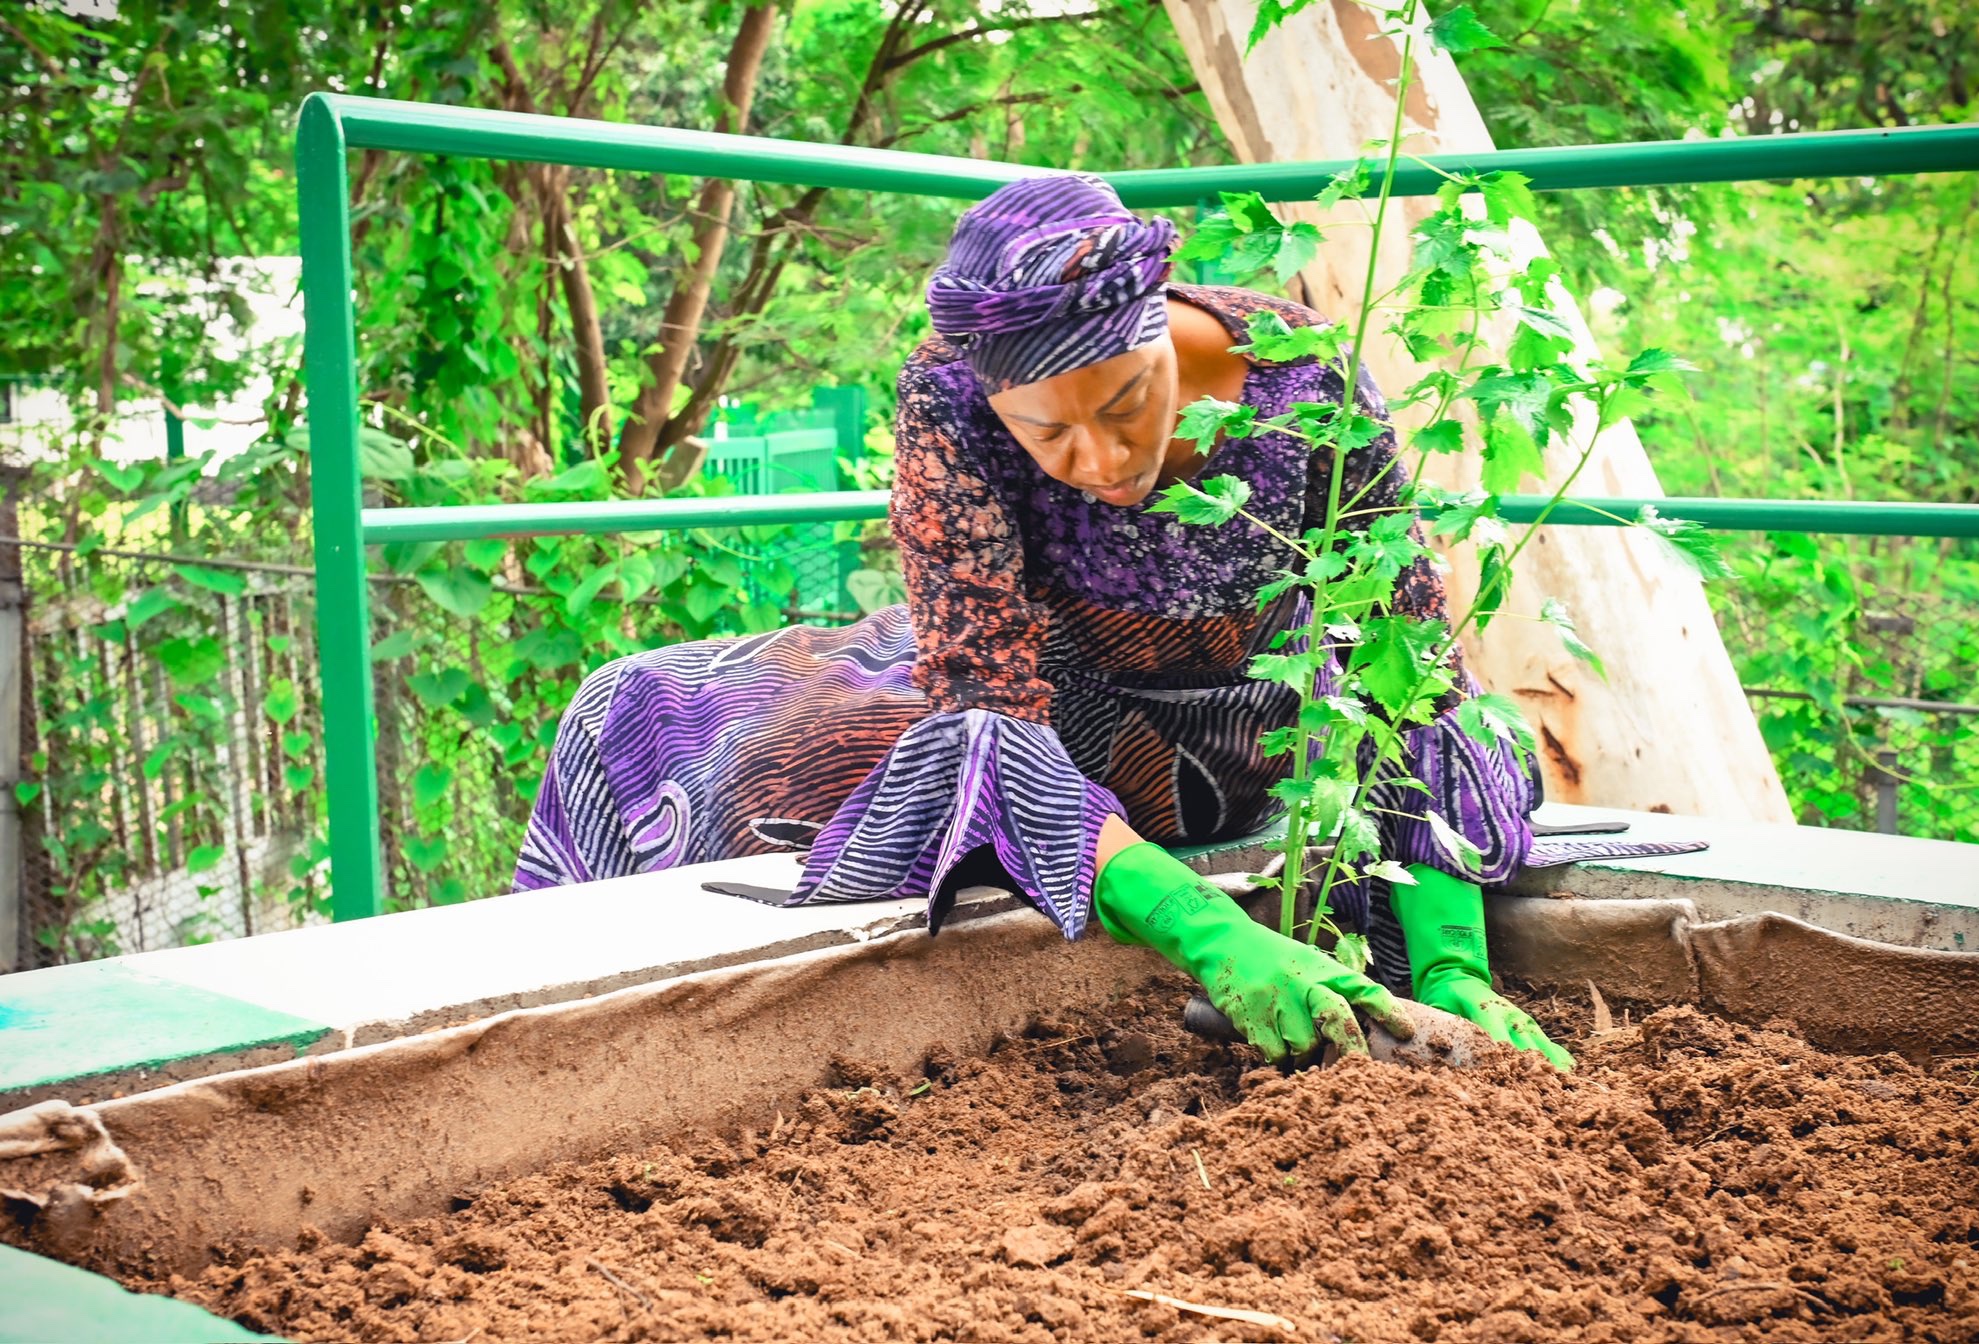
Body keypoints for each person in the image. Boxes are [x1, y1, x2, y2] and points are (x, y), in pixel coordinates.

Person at [515, 174, 1693, 1070]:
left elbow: (1409, 672)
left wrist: (1449, 965)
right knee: (652, 711)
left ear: (1163, 326)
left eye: (1126, 404)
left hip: (1250, 719)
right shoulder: (948, 393)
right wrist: (1203, 934)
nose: (1100, 459)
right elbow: (983, 701)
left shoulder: (1304, 380)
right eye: (1048, 435)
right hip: (1047, 706)